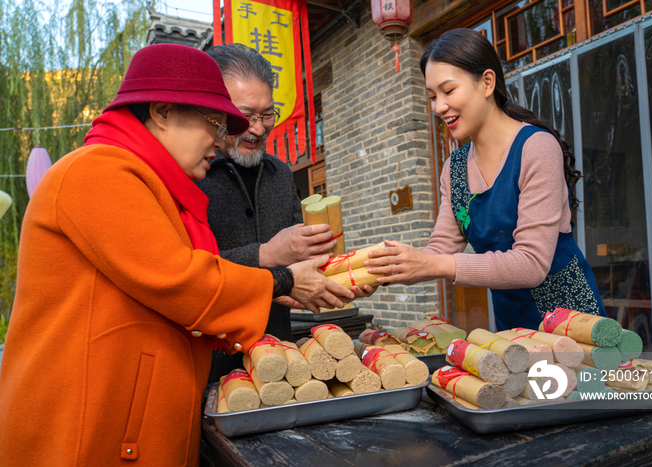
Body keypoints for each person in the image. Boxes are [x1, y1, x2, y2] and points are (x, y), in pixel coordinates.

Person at [0, 44, 353, 467]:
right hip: (90, 425)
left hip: (134, 418)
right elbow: (180, 278)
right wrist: (284, 279)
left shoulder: (148, 180)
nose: (223, 139)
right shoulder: (98, 172)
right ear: (163, 112)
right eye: (216, 123)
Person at [365, 29, 606, 331]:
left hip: (573, 324)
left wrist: (433, 264)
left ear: (487, 82)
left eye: (448, 91)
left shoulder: (536, 148)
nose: (438, 107)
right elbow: (440, 249)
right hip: (515, 326)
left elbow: (532, 263)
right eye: (432, 97)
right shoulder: (454, 169)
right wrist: (385, 270)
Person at [197, 44, 373, 384]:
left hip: (280, 361)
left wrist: (346, 277)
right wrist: (268, 256)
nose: (259, 129)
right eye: (245, 116)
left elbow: (298, 271)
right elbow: (187, 270)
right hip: (208, 362)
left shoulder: (280, 174)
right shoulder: (193, 173)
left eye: (267, 115)